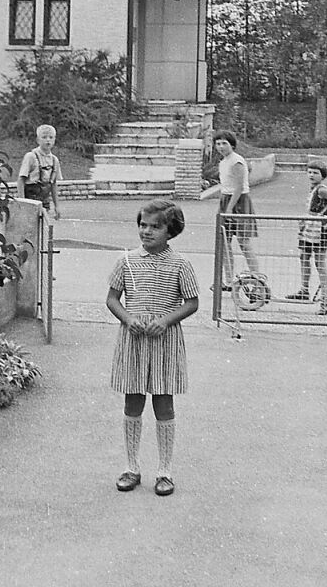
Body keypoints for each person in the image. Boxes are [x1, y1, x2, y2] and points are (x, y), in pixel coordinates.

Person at [106, 199, 199, 497]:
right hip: (133, 340)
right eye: (142, 225)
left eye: (155, 227)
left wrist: (166, 321)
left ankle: (165, 471)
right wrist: (128, 319)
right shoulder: (127, 261)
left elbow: (192, 302)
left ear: (170, 231)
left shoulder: (181, 264)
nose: (146, 231)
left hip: (164, 341)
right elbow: (112, 299)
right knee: (133, 402)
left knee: (163, 402)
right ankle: (132, 467)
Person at [286, 162, 327, 315]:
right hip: (309, 227)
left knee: (320, 263)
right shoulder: (313, 189)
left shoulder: (322, 190)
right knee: (304, 256)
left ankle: (325, 299)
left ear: (322, 175)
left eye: (315, 173)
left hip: (319, 230)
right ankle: (304, 290)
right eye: (309, 172)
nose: (311, 175)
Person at [214, 129, 262, 288]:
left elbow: (239, 187)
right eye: (218, 143)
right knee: (224, 244)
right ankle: (228, 280)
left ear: (232, 145)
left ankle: (257, 278)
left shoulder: (237, 161)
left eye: (224, 143)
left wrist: (229, 209)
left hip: (239, 203)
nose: (221, 147)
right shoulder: (223, 161)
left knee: (243, 242)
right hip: (226, 199)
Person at [17, 124, 62, 220]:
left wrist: (56, 206)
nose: (48, 140)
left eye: (51, 137)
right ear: (38, 140)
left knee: (43, 226)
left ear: (54, 140)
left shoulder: (54, 160)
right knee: (29, 226)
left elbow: (53, 184)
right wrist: (22, 202)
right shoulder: (31, 157)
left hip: (44, 199)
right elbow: (21, 180)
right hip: (31, 198)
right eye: (44, 137)